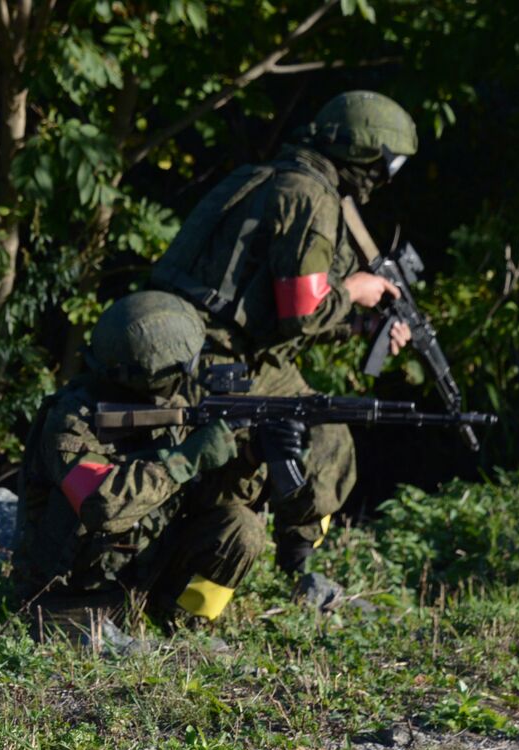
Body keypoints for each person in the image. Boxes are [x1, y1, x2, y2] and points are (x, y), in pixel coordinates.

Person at [150, 90, 418, 575]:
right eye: (387, 163)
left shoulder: (266, 175)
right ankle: (297, 571)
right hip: (218, 360)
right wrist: (355, 290)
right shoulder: (310, 196)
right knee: (329, 438)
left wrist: (362, 326)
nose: (386, 177)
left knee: (320, 431)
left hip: (196, 344)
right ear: (364, 152)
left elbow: (275, 313)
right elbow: (302, 311)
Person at [13, 291, 276, 642]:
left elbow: (208, 500)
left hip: (147, 578)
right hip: (66, 600)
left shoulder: (179, 403)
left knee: (241, 528)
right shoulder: (70, 421)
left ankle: (184, 626)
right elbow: (100, 504)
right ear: (155, 375)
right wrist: (187, 457)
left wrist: (247, 459)